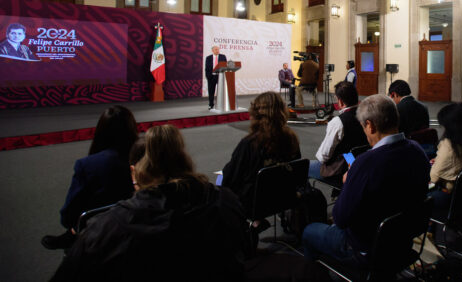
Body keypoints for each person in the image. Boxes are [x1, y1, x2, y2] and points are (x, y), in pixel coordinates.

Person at [50, 125, 252, 282]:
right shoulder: (226, 201)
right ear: (185, 162)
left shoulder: (105, 230)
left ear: (134, 172)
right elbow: (245, 249)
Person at [302, 94, 430, 264]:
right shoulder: (417, 150)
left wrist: (349, 182)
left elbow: (340, 218)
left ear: (370, 126)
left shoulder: (365, 164)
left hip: (365, 247)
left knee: (309, 231)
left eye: (363, 126)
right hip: (403, 240)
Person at [41, 105, 139, 250]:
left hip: (99, 235)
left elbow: (68, 216)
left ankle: (72, 235)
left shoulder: (88, 165)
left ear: (101, 131)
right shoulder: (146, 158)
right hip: (137, 226)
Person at [222, 91, 301, 215]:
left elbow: (230, 178)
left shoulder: (249, 144)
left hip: (254, 202)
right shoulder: (291, 138)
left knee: (220, 182)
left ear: (255, 115)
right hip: (285, 197)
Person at [309, 81, 367, 183]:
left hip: (339, 170)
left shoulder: (338, 122)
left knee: (303, 167)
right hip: (360, 165)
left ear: (340, 102)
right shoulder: (368, 117)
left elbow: (323, 156)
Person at [204, 45, 227, 110]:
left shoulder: (223, 56)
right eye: (216, 49)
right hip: (211, 77)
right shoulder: (208, 58)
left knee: (222, 91)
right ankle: (211, 105)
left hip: (220, 76)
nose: (217, 51)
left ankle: (223, 104)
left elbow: (225, 66)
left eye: (218, 49)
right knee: (211, 91)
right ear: (212, 50)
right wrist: (208, 76)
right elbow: (207, 68)